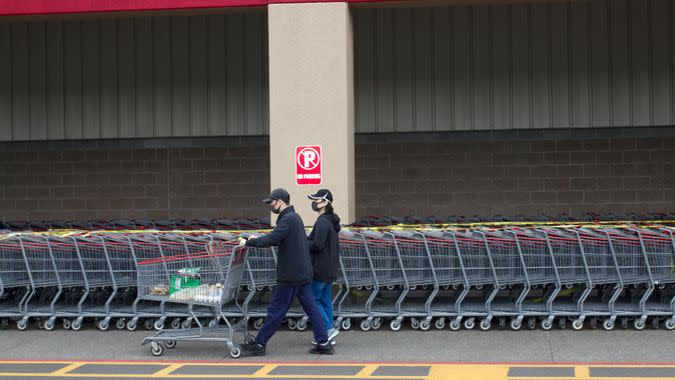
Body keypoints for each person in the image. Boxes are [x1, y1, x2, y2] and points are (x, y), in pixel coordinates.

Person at [239, 188, 334, 356]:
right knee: (312, 308)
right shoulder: (293, 217)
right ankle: (324, 342)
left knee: (276, 310)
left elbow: (273, 238)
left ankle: (260, 344)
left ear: (280, 202)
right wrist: (257, 240)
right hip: (302, 273)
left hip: (291, 275)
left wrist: (247, 243)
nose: (270, 205)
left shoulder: (288, 219)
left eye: (272, 202)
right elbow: (278, 237)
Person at [307, 189, 341, 344]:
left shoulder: (322, 222)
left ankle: (327, 329)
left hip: (320, 268)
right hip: (330, 268)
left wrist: (302, 242)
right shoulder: (331, 221)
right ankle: (328, 334)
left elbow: (317, 245)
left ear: (326, 203)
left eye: (317, 200)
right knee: (325, 301)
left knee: (312, 301)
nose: (314, 203)